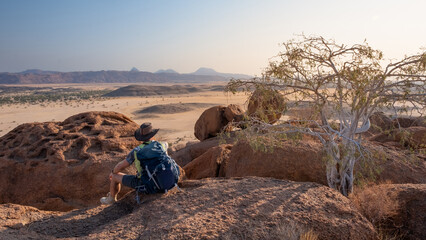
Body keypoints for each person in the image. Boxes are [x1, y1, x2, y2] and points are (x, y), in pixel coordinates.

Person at [100, 122, 179, 205]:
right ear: (152, 135)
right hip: (169, 181)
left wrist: (113, 172)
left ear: (141, 137)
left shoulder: (137, 151)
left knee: (115, 177)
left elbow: (121, 166)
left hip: (148, 185)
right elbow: (165, 153)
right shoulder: (162, 145)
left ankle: (111, 199)